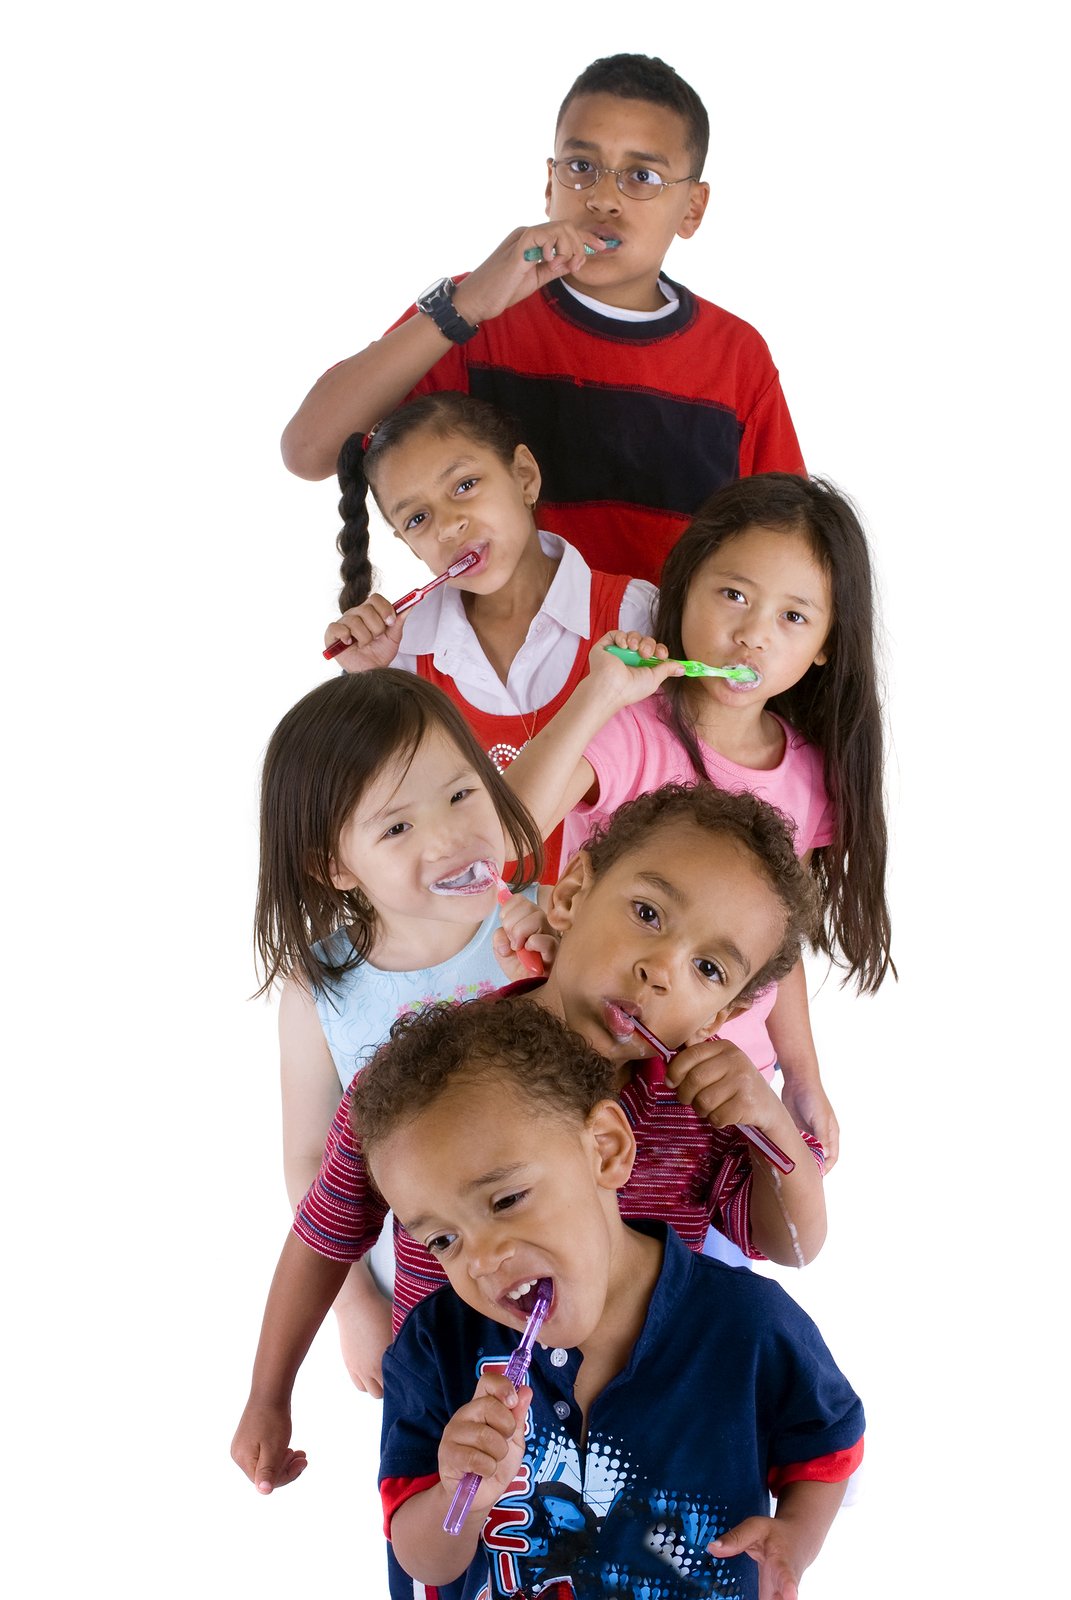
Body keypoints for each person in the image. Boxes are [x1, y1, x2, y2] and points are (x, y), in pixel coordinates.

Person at [232, 782, 829, 1493]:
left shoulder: (698, 1114)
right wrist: (269, 1396)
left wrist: (772, 1128)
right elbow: (324, 1235)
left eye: (707, 969)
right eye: (646, 914)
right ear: (572, 892)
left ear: (718, 1015)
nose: (661, 970)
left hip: (639, 1436)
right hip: (463, 1428)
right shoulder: (426, 1080)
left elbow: (793, 1246)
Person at [354, 998, 865, 1600]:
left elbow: (825, 1444)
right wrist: (457, 1497)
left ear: (605, 1149)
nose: (482, 1259)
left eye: (506, 1199)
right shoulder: (434, 1348)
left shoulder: (746, 1325)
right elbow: (423, 1562)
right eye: (444, 1238)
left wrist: (796, 1539)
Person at [503, 472, 893, 1190]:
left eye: (793, 618)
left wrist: (802, 1079)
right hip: (594, 1064)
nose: (750, 633)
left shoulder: (807, 777)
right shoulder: (629, 731)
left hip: (713, 1092)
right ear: (684, 590)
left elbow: (776, 949)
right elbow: (507, 828)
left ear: (825, 648)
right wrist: (599, 694)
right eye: (733, 595)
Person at [281, 53, 804, 586]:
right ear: (549, 182)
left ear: (692, 208)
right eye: (581, 167)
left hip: (657, 667)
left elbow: (789, 554)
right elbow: (309, 451)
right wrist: (464, 307)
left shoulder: (736, 358)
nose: (602, 199)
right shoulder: (477, 316)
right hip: (488, 668)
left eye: (642, 176)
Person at [255, 668, 547, 1396]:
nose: (450, 835)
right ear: (334, 867)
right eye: (397, 826)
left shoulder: (550, 922)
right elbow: (309, 1161)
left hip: (561, 1266)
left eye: (461, 793)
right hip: (425, 1295)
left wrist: (557, 970)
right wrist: (352, 1306)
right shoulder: (320, 989)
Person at [323, 391, 656, 878]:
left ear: (524, 475)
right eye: (418, 518)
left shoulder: (634, 614)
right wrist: (371, 684)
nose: (449, 526)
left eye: (464, 485)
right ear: (407, 543)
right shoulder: (402, 656)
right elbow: (392, 820)